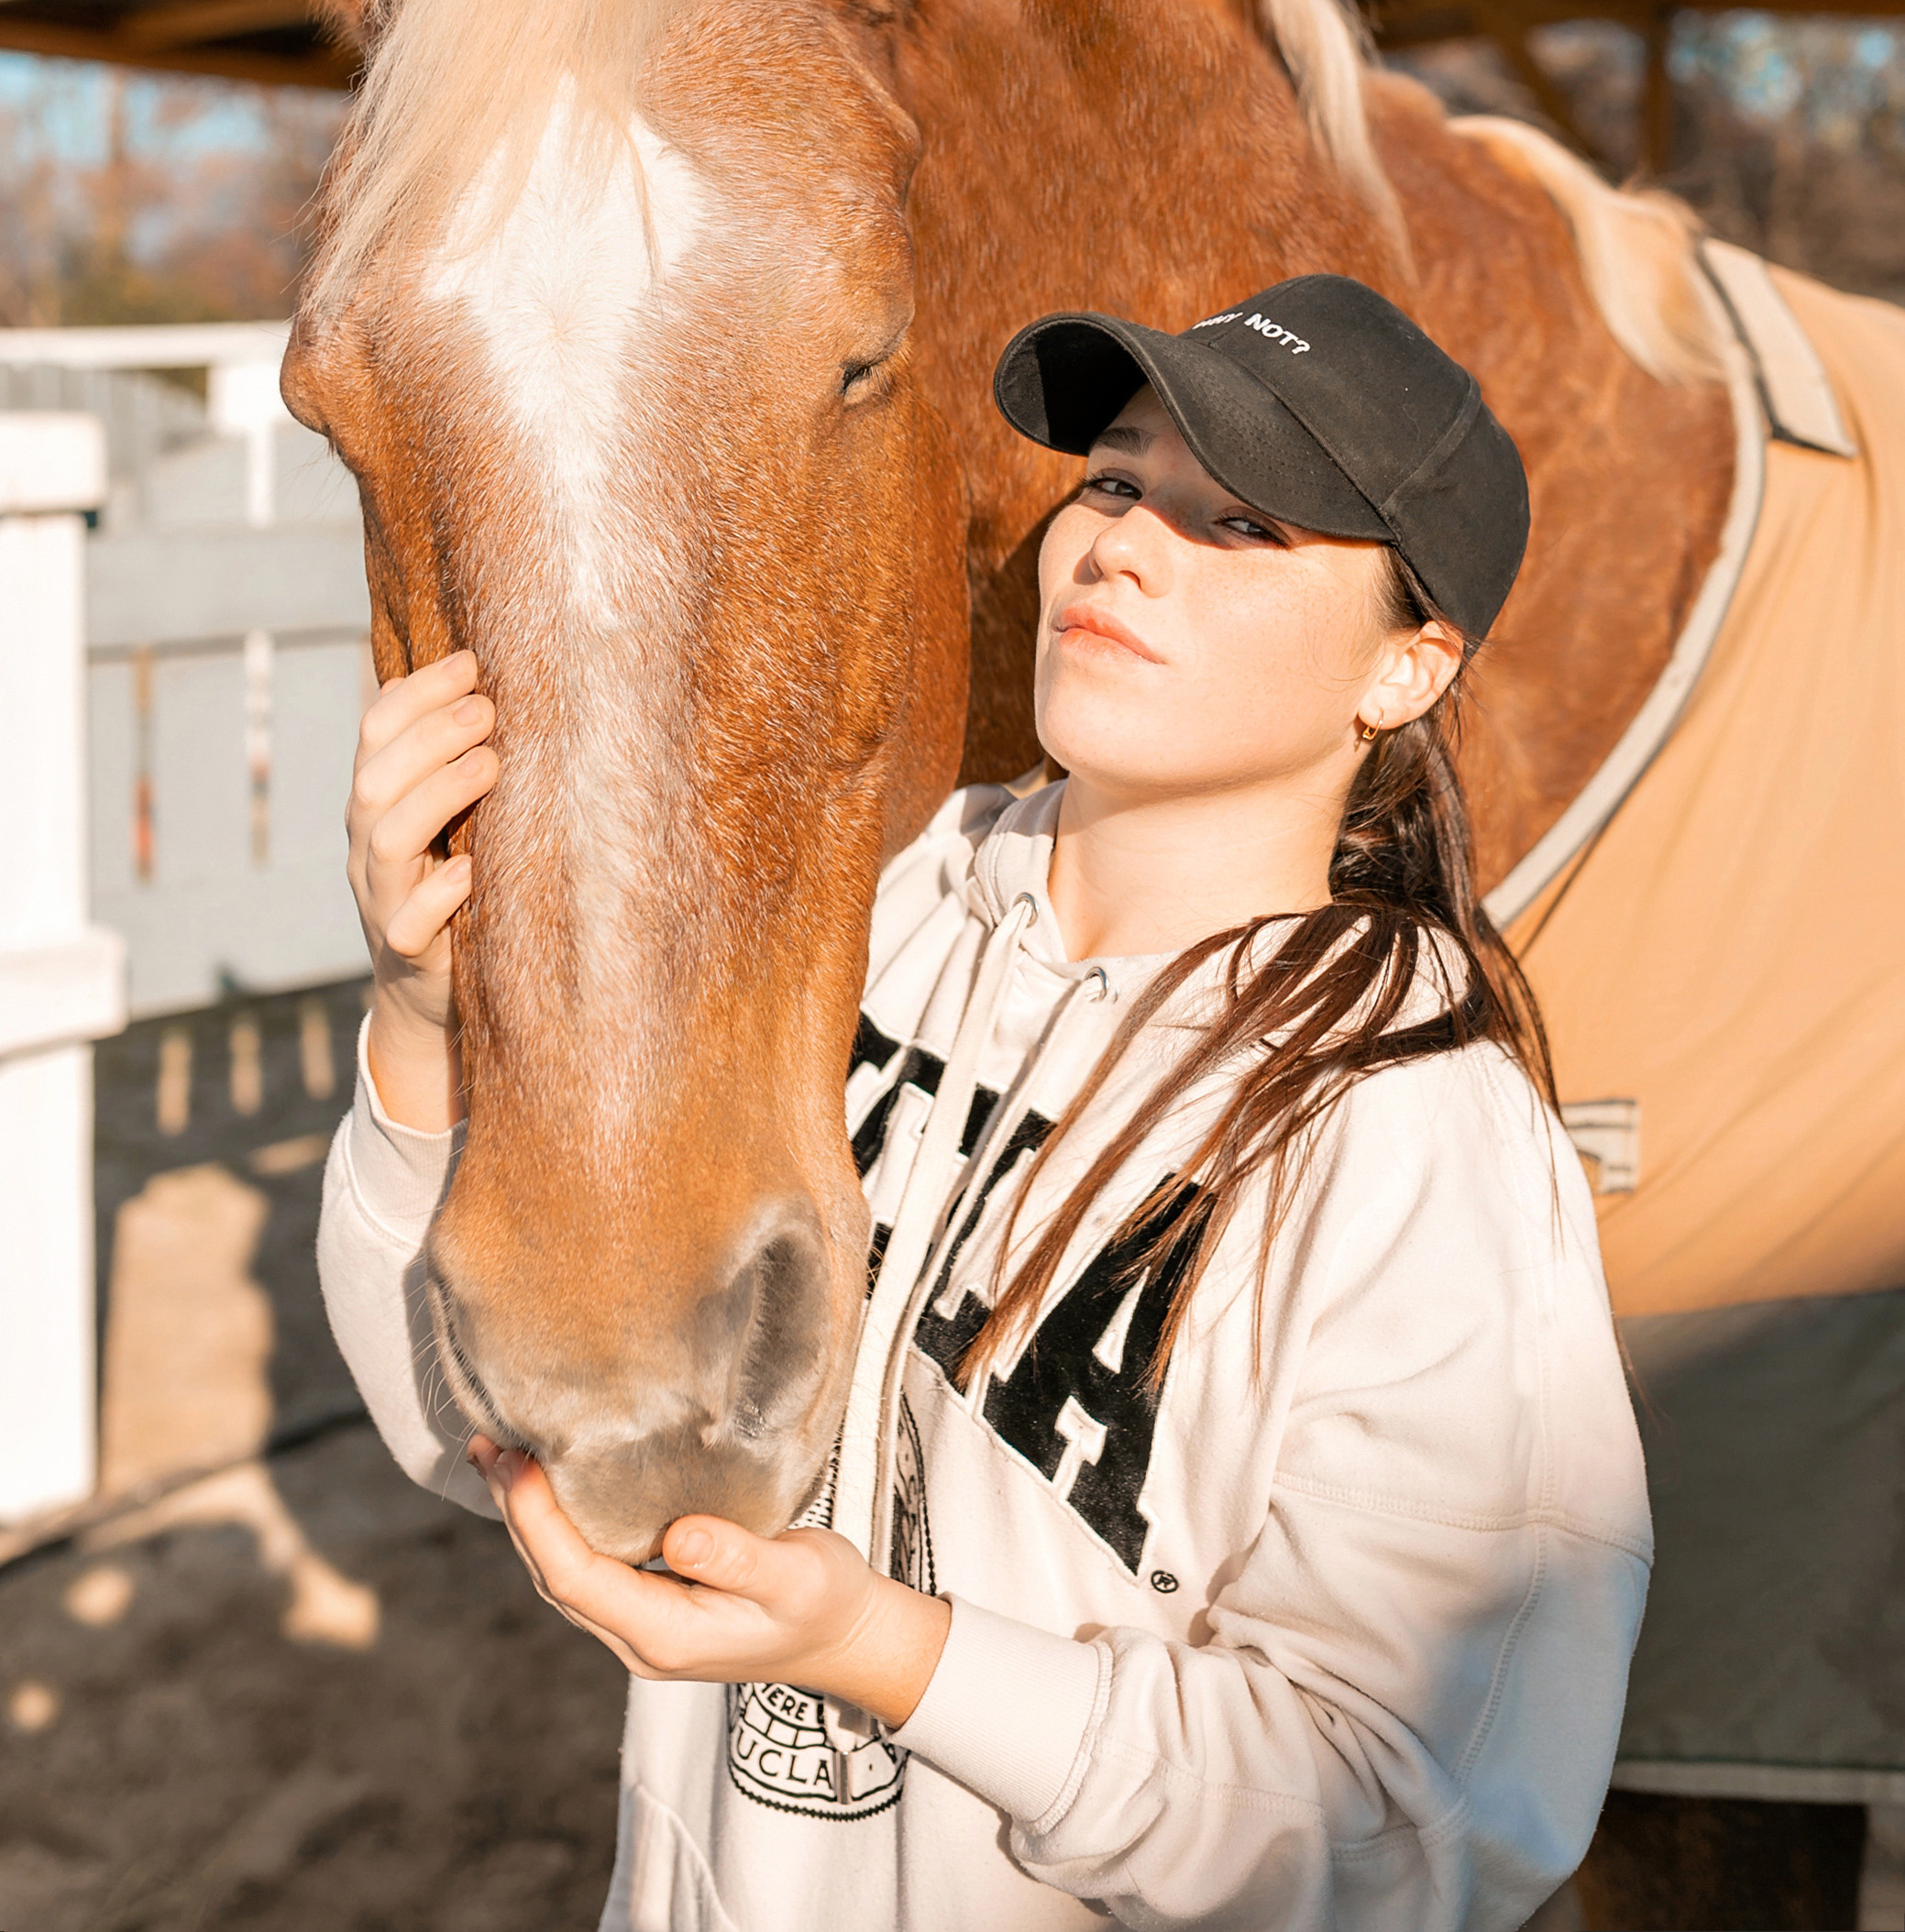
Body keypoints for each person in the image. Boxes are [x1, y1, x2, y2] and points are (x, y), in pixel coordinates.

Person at [318, 274, 1649, 1931]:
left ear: (1407, 666)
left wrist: (880, 1651)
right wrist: (425, 1010)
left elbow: (1416, 1824)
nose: (1119, 545)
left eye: (1239, 526)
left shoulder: (1410, 1134)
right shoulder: (864, 915)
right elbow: (475, 1422)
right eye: (1111, 478)